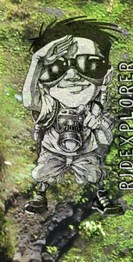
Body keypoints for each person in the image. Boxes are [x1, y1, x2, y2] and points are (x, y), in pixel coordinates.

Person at [21, 19, 120, 185]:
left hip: (85, 153)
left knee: (94, 176)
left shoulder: (96, 108)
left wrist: (97, 124)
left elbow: (105, 139)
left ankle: (101, 195)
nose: (71, 76)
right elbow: (29, 101)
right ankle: (41, 193)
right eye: (56, 69)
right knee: (41, 174)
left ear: (107, 75)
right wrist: (37, 61)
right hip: (53, 151)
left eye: (90, 64)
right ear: (41, 79)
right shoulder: (52, 106)